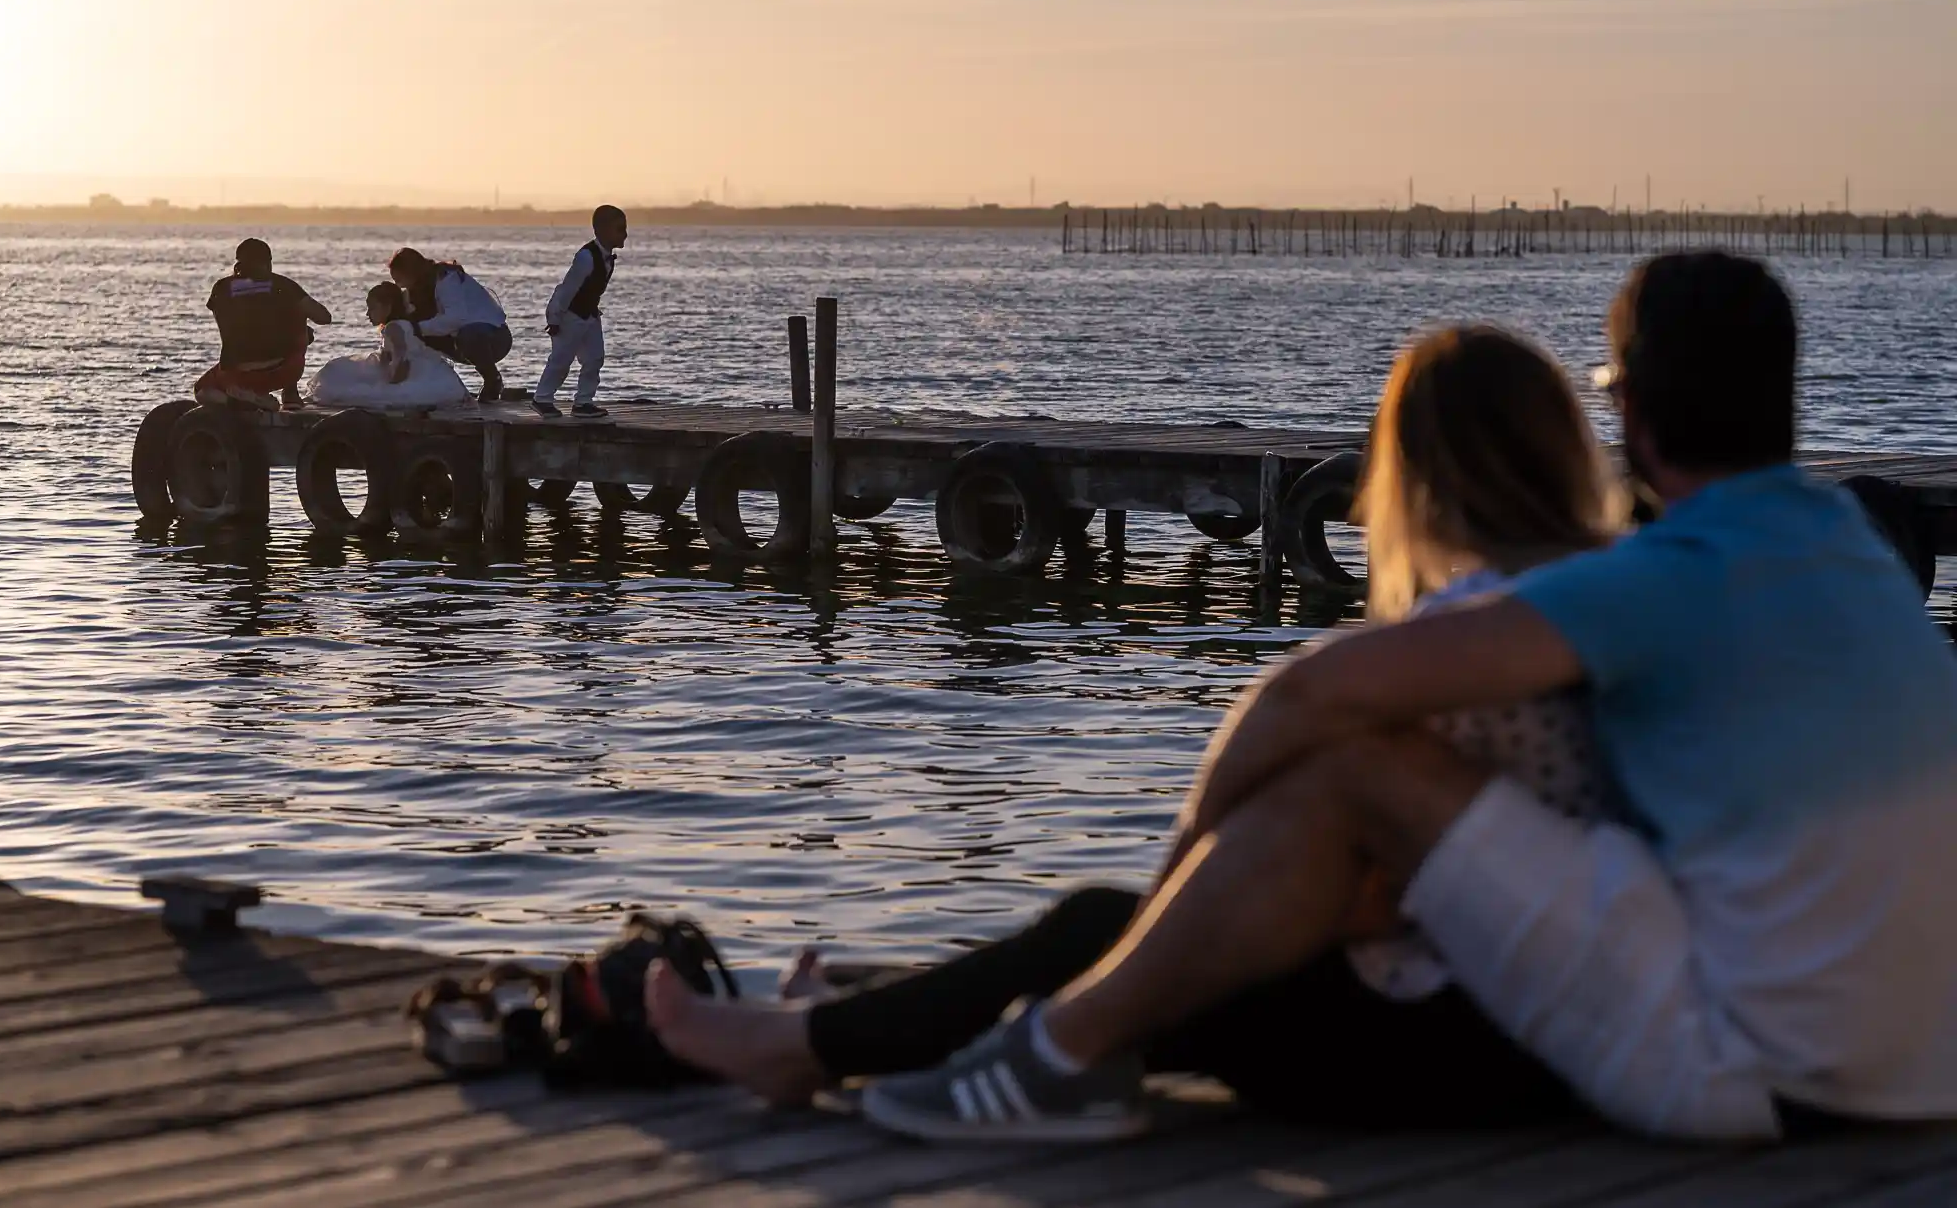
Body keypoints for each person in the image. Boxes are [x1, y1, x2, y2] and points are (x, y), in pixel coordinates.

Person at [801, 251, 1957, 1146]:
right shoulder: (1848, 556)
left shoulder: (1665, 576)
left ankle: (1059, 1048)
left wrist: (1167, 895)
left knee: (1357, 763)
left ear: (1633, 416)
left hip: (1761, 1069)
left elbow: (1313, 690)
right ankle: (1025, 1020)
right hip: (1914, 1065)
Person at [644, 325, 1627, 1133]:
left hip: (1444, 1054)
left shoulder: (1471, 637)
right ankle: (839, 1022)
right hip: (1513, 1029)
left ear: (1417, 473)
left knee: (1102, 932)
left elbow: (1374, 894)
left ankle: (795, 1045)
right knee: (1103, 940)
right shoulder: (1582, 606)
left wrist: (1196, 907)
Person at [196, 237, 332, 409]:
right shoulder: (283, 285)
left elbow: (226, 325)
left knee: (201, 389)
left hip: (235, 372)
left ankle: (238, 400)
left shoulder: (222, 287)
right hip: (281, 370)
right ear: (268, 262)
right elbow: (324, 317)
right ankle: (290, 394)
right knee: (303, 325)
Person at [308, 282, 471, 409]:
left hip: (408, 370)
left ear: (388, 306)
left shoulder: (393, 327)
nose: (367, 313)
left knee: (335, 372)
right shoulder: (404, 324)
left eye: (372, 308)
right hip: (423, 366)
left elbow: (401, 352)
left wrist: (395, 378)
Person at [533, 204, 628, 419]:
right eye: (620, 229)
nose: (625, 234)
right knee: (561, 359)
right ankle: (542, 398)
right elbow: (567, 289)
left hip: (589, 314)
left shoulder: (606, 257)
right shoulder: (586, 257)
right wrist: (555, 318)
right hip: (570, 315)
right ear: (602, 230)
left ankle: (583, 401)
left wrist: (592, 312)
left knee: (594, 357)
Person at [388, 247, 512, 401]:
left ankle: (493, 379)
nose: (399, 286)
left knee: (468, 335)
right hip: (460, 340)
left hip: (494, 338)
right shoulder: (418, 291)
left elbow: (456, 319)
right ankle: (427, 382)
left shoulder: (447, 280)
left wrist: (417, 328)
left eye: (399, 280)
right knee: (417, 335)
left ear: (411, 272)